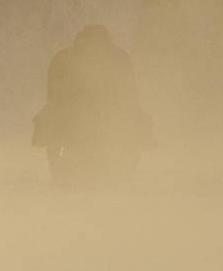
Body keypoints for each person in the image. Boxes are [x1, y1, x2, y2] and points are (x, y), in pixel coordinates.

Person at [32, 24, 152, 184]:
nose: (92, 48)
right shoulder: (65, 58)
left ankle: (124, 165)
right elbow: (54, 92)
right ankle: (62, 166)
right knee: (51, 120)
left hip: (109, 110)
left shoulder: (119, 59)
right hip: (73, 110)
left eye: (96, 43)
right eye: (89, 43)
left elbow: (129, 91)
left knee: (134, 120)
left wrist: (117, 107)